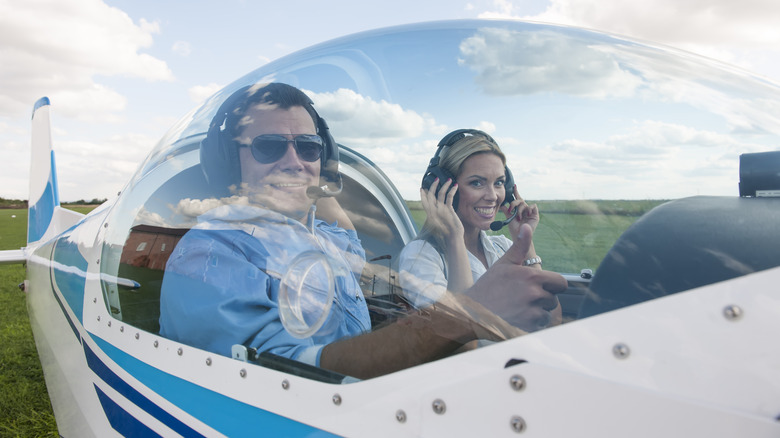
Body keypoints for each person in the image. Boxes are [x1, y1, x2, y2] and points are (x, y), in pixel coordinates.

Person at [160, 83, 567, 380]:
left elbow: (342, 224)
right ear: (228, 160)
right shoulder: (211, 256)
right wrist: (469, 313)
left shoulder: (330, 240)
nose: (294, 160)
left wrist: (314, 181)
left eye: (308, 148)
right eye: (269, 147)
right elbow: (290, 379)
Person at [399, 129, 562, 332]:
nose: (493, 196)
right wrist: (454, 238)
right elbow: (460, 334)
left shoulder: (501, 247)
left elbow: (551, 322)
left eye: (499, 183)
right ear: (442, 188)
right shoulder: (421, 256)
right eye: (477, 183)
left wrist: (524, 238)